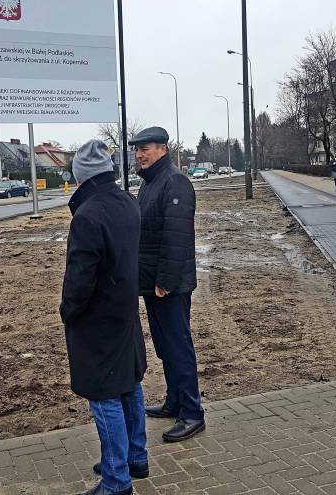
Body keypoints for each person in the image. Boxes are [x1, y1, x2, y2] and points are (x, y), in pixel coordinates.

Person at [60, 140, 148, 495]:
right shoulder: (128, 202)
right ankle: (135, 457)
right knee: (129, 383)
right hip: (125, 311)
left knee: (104, 395)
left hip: (97, 320)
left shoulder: (87, 215)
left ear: (81, 176)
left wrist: (68, 311)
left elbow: (79, 278)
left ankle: (116, 480)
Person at [128, 127, 205, 443]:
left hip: (168, 285)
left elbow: (177, 238)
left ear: (162, 149)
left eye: (144, 148)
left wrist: (166, 281)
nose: (139, 154)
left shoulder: (175, 182)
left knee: (178, 346)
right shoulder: (150, 183)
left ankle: (192, 413)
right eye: (136, 150)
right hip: (153, 282)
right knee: (165, 346)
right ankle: (174, 401)